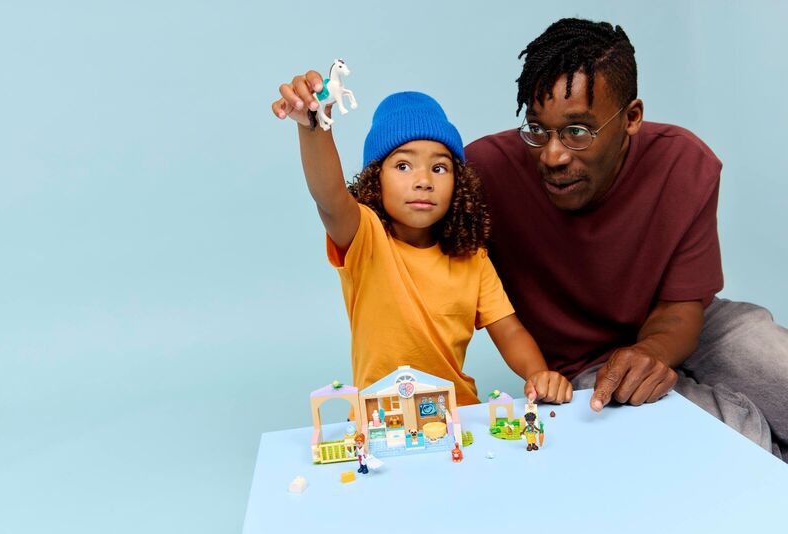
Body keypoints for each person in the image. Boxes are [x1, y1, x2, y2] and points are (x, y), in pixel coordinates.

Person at [465, 17, 788, 459]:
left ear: (632, 118)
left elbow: (681, 307)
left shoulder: (683, 163)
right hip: (588, 364)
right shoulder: (485, 171)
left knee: (774, 364)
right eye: (538, 129)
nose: (552, 155)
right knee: (735, 444)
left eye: (577, 132)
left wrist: (651, 351)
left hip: (694, 325)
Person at [272, 70, 574, 406]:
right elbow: (329, 198)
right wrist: (313, 127)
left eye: (439, 168)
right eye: (403, 166)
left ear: (458, 183)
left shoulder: (472, 258)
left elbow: (510, 330)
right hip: (380, 421)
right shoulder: (365, 238)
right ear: (376, 178)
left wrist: (539, 374)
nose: (423, 181)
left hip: (457, 415)